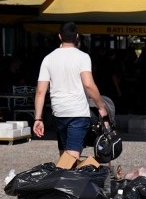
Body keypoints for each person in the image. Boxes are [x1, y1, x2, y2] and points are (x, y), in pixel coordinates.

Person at [32, 22, 110, 158]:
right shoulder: (83, 57)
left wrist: (38, 118)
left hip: (59, 112)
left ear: (60, 36)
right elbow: (89, 85)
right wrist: (101, 107)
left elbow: (40, 91)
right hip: (78, 112)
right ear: (77, 37)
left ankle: (65, 171)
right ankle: (68, 171)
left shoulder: (48, 59)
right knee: (72, 157)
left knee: (64, 156)